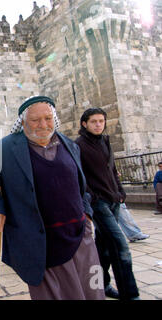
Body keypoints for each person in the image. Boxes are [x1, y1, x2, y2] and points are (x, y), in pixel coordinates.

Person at [0, 95, 105, 300]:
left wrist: (87, 215)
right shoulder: (0, 149)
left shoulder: (70, 145)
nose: (43, 124)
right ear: (22, 122)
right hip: (40, 241)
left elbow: (82, 185)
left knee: (93, 289)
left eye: (48, 118)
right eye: (35, 120)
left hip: (80, 234)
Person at [76, 107, 140, 300]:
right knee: (121, 247)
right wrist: (92, 197)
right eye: (94, 121)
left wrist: (120, 192)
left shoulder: (105, 141)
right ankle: (131, 294)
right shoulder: (78, 145)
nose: (98, 125)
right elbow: (78, 176)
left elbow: (112, 170)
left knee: (103, 248)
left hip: (114, 201)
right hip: (99, 203)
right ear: (84, 123)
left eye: (101, 121)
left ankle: (101, 285)